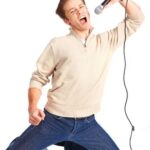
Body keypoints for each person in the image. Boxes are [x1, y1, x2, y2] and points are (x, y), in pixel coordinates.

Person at [7, 0, 144, 149]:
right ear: (67, 21)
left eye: (81, 7)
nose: (79, 12)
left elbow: (137, 18)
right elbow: (38, 78)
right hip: (54, 120)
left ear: (87, 10)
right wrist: (32, 108)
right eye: (72, 11)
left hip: (87, 125)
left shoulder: (106, 41)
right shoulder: (58, 44)